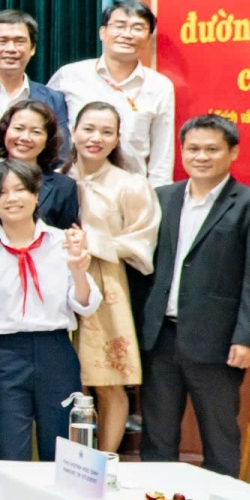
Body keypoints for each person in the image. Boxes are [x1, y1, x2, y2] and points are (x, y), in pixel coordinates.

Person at [138, 115, 250, 474]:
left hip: (218, 343)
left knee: (219, 439)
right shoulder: (162, 198)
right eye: (193, 149)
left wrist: (248, 338)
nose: (201, 157)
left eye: (211, 149)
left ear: (232, 152)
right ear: (182, 152)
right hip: (160, 338)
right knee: (156, 438)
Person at [0, 160, 100, 462]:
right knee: (11, 449)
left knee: (62, 450)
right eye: (1, 193)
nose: (11, 198)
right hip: (5, 355)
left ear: (36, 194)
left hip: (55, 350)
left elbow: (86, 304)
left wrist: (79, 271)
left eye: (20, 190)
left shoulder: (62, 241)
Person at [66, 102, 161, 452]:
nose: (96, 138)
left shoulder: (129, 184)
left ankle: (104, 460)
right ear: (73, 131)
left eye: (107, 132)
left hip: (106, 281)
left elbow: (142, 241)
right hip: (57, 279)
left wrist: (93, 244)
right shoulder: (55, 177)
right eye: (88, 129)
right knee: (66, 379)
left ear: (118, 138)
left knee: (108, 379)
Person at [48, 0, 177, 185]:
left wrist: (159, 195)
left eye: (137, 28)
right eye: (119, 26)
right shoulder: (69, 76)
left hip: (129, 190)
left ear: (148, 38)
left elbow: (162, 154)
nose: (127, 34)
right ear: (102, 32)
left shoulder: (159, 86)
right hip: (71, 187)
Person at [0, 9, 71, 201]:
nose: (11, 49)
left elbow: (60, 155)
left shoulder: (52, 99)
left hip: (32, 202)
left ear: (32, 48)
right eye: (2, 41)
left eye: (19, 41)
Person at [0, 100, 80, 238]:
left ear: (47, 140)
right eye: (18, 128)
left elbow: (68, 237)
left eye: (36, 132)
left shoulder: (64, 187)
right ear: (4, 131)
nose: (25, 137)